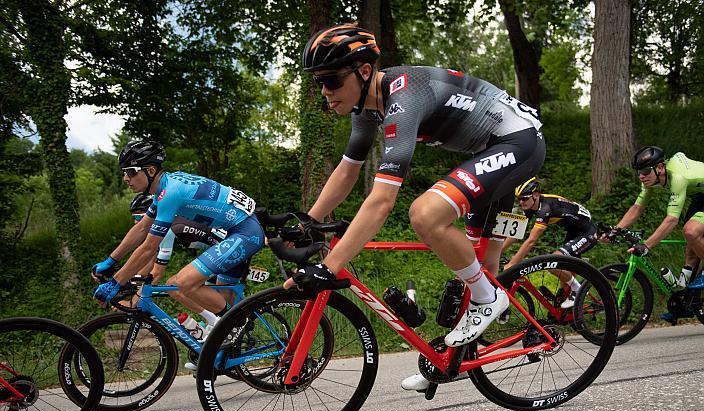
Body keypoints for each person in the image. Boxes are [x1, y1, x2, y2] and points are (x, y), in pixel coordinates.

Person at [286, 24, 546, 392]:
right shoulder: (367, 108)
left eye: (330, 80)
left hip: (519, 142)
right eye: (318, 83)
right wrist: (307, 222)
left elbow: (382, 201)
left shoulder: (403, 96)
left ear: (363, 71)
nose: (324, 92)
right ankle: (447, 360)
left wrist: (330, 267)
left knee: (426, 214)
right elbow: (347, 171)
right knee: (481, 268)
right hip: (490, 151)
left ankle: (488, 300)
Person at [92, 140, 265, 338]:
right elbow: (141, 228)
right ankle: (228, 354)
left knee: (183, 283)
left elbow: (149, 247)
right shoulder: (163, 189)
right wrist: (110, 261)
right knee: (222, 311)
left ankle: (240, 324)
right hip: (234, 233)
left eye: (130, 171)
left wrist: (116, 283)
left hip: (244, 233)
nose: (125, 178)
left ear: (149, 170)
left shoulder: (170, 193)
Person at [605, 147, 704, 321]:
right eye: (638, 173)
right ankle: (689, 302)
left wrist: (647, 245)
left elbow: (671, 220)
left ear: (659, 168)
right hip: (700, 196)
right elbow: (637, 208)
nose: (641, 176)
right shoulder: (651, 180)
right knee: (691, 248)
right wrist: (615, 230)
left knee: (690, 231)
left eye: (644, 171)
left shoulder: (678, 177)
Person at [503, 177, 598, 308]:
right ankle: (570, 308)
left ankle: (578, 290)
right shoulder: (531, 205)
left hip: (587, 232)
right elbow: (516, 234)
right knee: (564, 278)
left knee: (553, 264)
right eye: (519, 198)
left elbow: (531, 241)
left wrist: (512, 264)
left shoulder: (545, 208)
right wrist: (499, 251)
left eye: (524, 198)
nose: (521, 202)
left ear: (535, 195)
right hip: (573, 232)